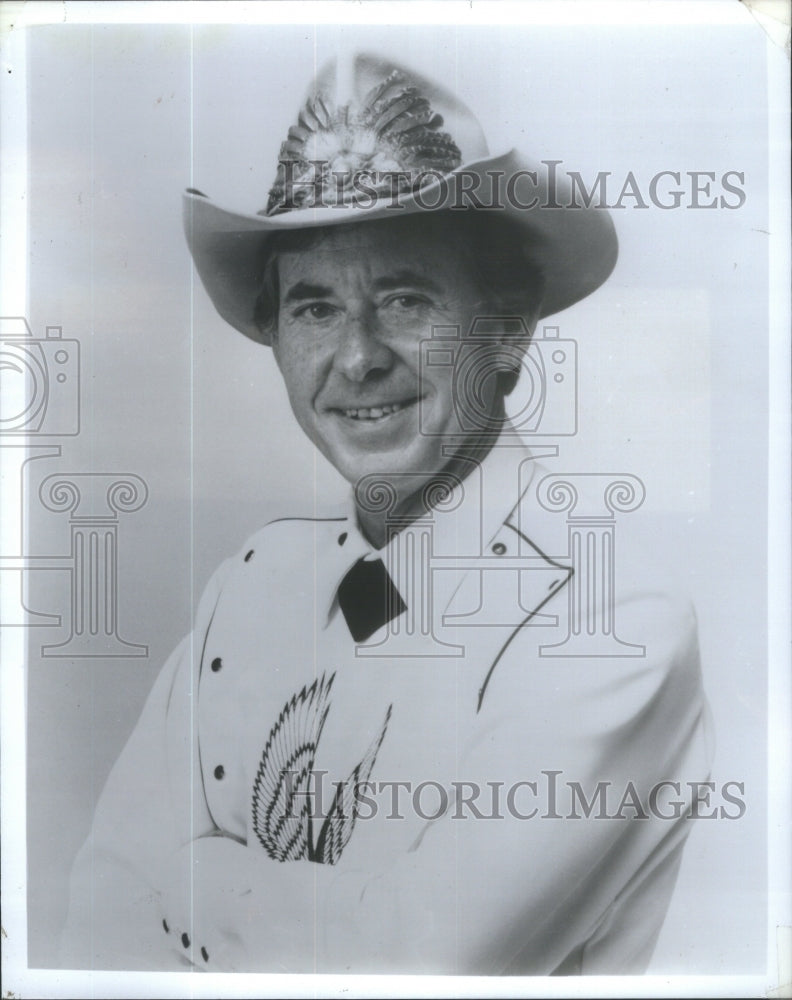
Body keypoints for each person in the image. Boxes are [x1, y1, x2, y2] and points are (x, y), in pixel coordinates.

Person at [60, 52, 713, 975]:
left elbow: (414, 963)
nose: (357, 358)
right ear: (276, 337)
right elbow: (96, 926)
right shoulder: (248, 591)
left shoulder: (609, 622)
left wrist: (195, 875)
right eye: (316, 308)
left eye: (406, 298)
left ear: (509, 327)